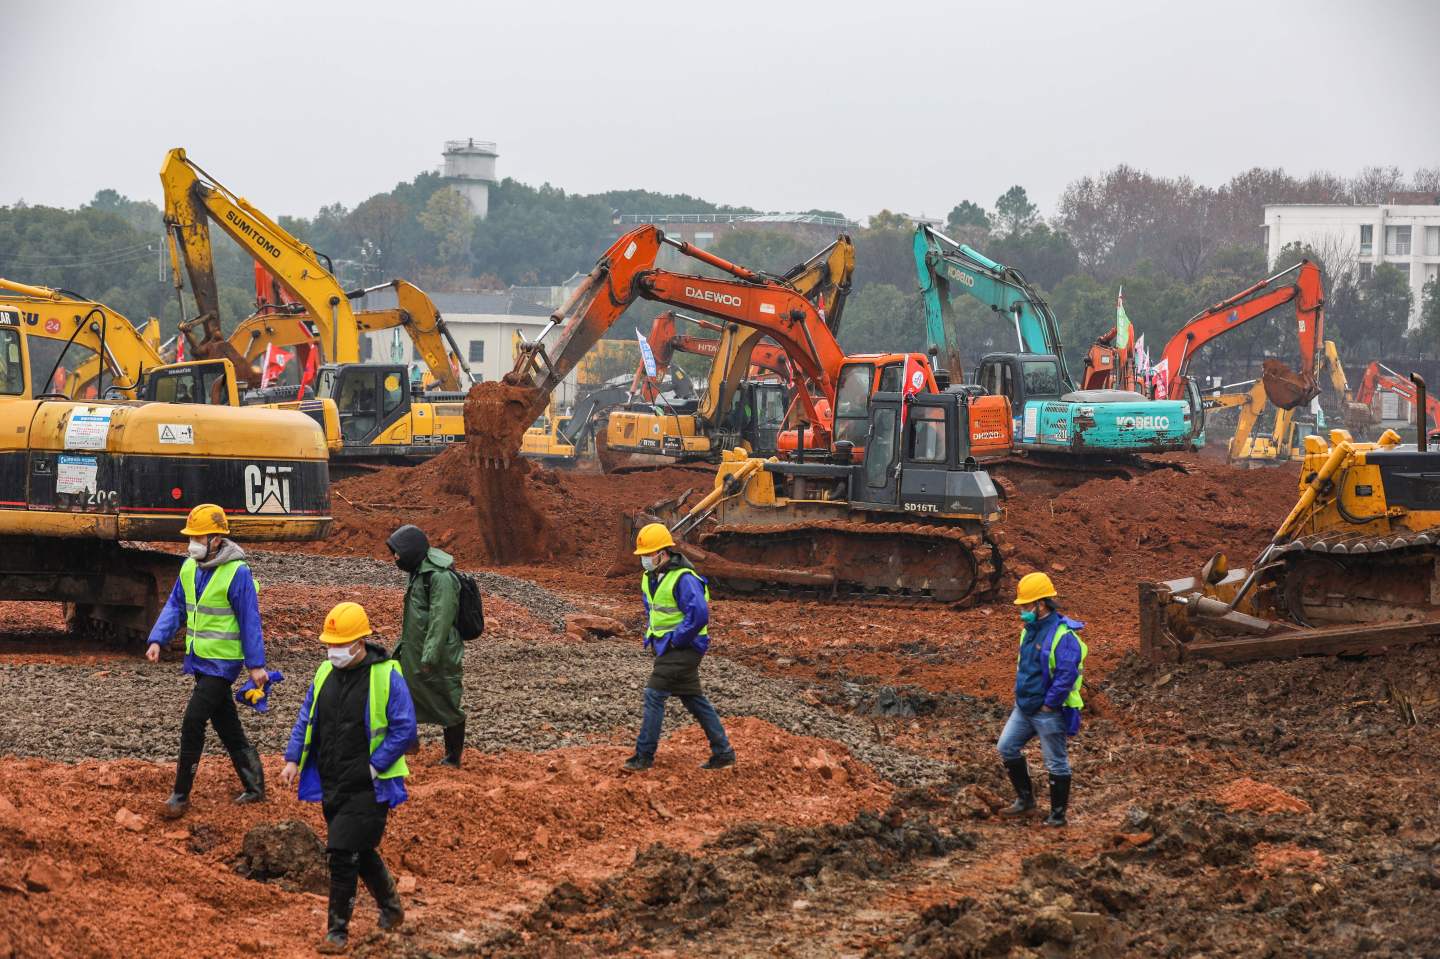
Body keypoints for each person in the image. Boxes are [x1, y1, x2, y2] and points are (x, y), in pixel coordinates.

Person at [280, 602, 415, 954]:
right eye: (331, 645)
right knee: (360, 850)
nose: (334, 651)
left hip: (370, 785)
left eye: (341, 645)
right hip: (333, 780)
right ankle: (391, 907)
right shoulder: (325, 672)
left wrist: (375, 765)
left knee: (341, 853)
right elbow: (306, 717)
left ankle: (336, 933)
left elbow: (405, 729)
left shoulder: (387, 675)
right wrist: (293, 759)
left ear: (361, 642)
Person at [145, 504, 269, 819]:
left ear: (216, 539)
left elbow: (249, 620)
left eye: (199, 537)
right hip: (200, 660)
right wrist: (158, 639)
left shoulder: (237, 572)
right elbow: (176, 606)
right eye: (191, 537)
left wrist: (256, 665)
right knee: (227, 724)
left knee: (193, 720)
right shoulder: (189, 568)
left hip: (223, 664)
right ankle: (255, 785)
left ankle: (180, 795)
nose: (193, 543)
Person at [622, 523, 734, 772]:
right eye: (642, 555)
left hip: (684, 647)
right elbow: (653, 610)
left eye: (648, 555)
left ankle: (643, 756)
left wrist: (675, 640)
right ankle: (723, 752)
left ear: (663, 552)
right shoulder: (650, 576)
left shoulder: (684, 578)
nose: (644, 560)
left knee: (654, 695)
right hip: (667, 646)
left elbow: (698, 615)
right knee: (693, 699)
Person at [997, 572, 1088, 827]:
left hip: (1048, 710)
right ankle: (1026, 801)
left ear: (1041, 604)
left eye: (1026, 606)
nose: (1022, 611)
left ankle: (1058, 816)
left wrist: (1049, 703)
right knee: (1006, 746)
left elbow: (1066, 674)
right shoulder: (1028, 631)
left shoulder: (1063, 635)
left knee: (1056, 763)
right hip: (1025, 706)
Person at [386, 524, 466, 767]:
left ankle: (454, 757)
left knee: (445, 701)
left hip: (436, 655)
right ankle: (408, 743)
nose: (395, 558)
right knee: (400, 696)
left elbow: (440, 620)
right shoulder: (419, 571)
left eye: (398, 553)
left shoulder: (440, 577)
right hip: (414, 651)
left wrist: (429, 657)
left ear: (411, 551)